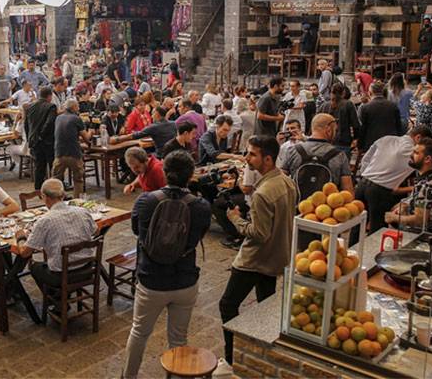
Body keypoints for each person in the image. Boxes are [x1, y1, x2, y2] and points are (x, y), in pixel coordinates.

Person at [121, 150, 211, 378]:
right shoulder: (200, 206)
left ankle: (128, 376)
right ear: (191, 175)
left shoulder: (146, 201)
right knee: (179, 338)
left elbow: (135, 230)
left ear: (164, 172)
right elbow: (198, 235)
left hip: (151, 279)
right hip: (185, 280)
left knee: (139, 332)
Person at [221, 135, 298, 364]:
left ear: (268, 159)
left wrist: (236, 220)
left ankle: (231, 355)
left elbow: (259, 233)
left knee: (227, 304)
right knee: (265, 304)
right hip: (276, 256)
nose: (247, 158)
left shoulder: (263, 193)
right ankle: (264, 350)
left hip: (254, 259)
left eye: (252, 154)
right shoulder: (286, 181)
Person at [11, 178, 97, 291]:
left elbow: (25, 253)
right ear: (63, 195)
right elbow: (96, 231)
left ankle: (56, 300)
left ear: (44, 197)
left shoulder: (45, 221)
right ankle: (61, 297)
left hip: (61, 275)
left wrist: (21, 236)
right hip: (87, 268)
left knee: (34, 267)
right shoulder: (83, 211)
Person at [357, 126, 432, 233]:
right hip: (379, 191)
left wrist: (368, 174)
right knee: (377, 230)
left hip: (362, 184)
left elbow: (365, 159)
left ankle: (350, 249)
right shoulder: (412, 150)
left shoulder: (386, 139)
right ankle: (374, 250)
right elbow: (431, 165)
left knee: (356, 224)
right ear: (418, 138)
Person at [385, 139, 432, 234]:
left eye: (416, 153)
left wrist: (394, 218)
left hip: (424, 239)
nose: (411, 155)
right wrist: (405, 206)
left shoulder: (427, 185)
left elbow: (420, 220)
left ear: (427, 159)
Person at [278, 114, 354, 195]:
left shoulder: (293, 150)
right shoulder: (339, 155)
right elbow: (348, 192)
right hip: (326, 207)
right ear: (328, 130)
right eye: (335, 130)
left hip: (298, 206)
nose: (335, 134)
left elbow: (279, 182)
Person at [53, 98, 92, 198]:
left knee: (56, 179)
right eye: (78, 106)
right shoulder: (76, 118)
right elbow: (86, 138)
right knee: (78, 180)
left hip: (59, 153)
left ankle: (57, 199)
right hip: (73, 153)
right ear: (74, 107)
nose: (78, 108)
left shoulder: (58, 118)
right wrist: (91, 131)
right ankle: (77, 201)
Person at [25, 87, 58, 191]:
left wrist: (29, 138)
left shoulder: (30, 106)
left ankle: (38, 189)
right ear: (49, 96)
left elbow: (26, 125)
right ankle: (54, 189)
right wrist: (41, 135)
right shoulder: (51, 107)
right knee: (53, 165)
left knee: (39, 166)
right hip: (47, 141)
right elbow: (50, 123)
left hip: (34, 140)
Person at [111, 104, 177, 156]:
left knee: (135, 155)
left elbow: (135, 135)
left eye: (153, 113)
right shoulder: (174, 123)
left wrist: (118, 139)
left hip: (160, 155)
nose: (151, 116)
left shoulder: (154, 127)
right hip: (173, 154)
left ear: (157, 114)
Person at [358, 81, 403, 152]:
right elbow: (399, 126)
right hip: (389, 142)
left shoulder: (365, 107)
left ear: (370, 93)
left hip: (372, 143)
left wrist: (360, 145)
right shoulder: (393, 106)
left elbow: (362, 128)